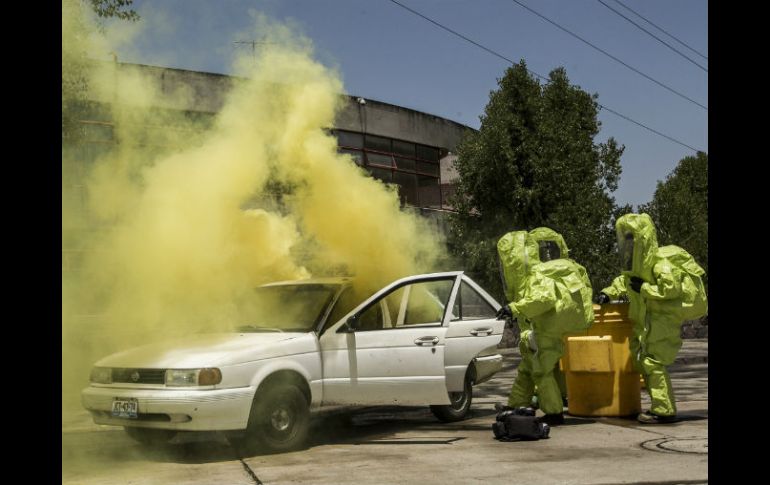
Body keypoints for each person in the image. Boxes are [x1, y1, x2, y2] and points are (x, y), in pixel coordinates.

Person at [595, 213, 707, 424]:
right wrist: (609, 292)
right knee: (643, 361)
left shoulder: (660, 264)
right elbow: (624, 282)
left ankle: (664, 410)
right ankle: (660, 404)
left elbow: (670, 289)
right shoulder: (636, 266)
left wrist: (645, 289)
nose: (627, 243)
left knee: (653, 362)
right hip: (645, 321)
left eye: (631, 239)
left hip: (661, 320)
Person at [496, 228, 594, 425]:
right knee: (528, 367)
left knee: (541, 370)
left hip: (547, 329)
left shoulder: (537, 275)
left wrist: (514, 308)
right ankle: (516, 405)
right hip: (544, 328)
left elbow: (544, 299)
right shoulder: (535, 276)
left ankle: (554, 412)